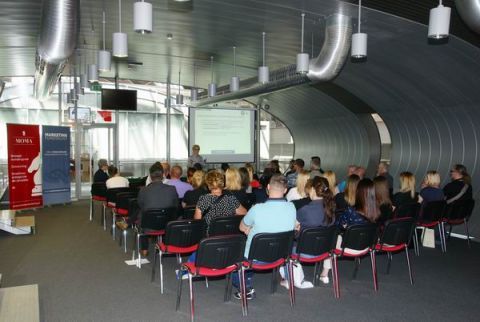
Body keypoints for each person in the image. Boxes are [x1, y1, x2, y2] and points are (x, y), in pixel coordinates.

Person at [233, 174, 296, 299]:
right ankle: (249, 277)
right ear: (285, 190)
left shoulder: (257, 209)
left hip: (255, 257)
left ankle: (246, 286)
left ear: (267, 187)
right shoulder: (292, 207)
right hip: (281, 256)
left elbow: (241, 227)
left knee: (234, 262)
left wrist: (250, 230)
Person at [290, 176, 336, 286]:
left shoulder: (305, 210)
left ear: (312, 190)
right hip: (324, 251)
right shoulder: (331, 210)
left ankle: (287, 278)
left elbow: (294, 226)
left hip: (302, 252)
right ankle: (324, 273)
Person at [137, 163, 178, 256]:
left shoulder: (143, 190)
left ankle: (144, 249)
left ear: (150, 176)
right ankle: (166, 244)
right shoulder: (172, 189)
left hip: (148, 225)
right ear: (163, 175)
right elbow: (176, 206)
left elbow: (140, 205)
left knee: (141, 214)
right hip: (167, 225)